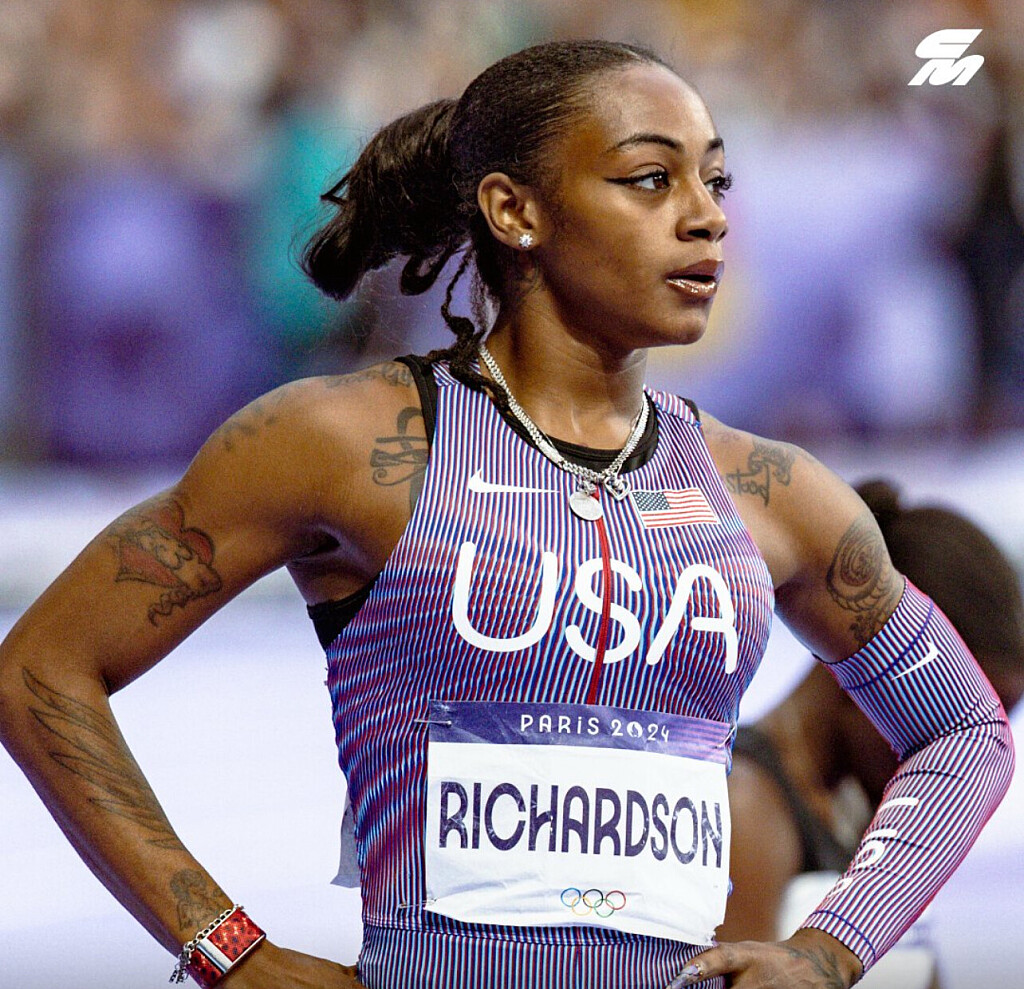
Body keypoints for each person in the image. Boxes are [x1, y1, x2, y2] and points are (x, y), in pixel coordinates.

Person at [0, 39, 1014, 989]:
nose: (706, 217)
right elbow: (42, 666)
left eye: (716, 181)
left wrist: (830, 949)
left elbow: (965, 729)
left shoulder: (773, 493)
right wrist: (229, 950)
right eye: (650, 178)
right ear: (514, 210)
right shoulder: (341, 444)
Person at [720, 479, 1024, 987]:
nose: (962, 761)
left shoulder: (863, 803)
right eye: (952, 719)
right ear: (884, 666)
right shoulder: (749, 809)